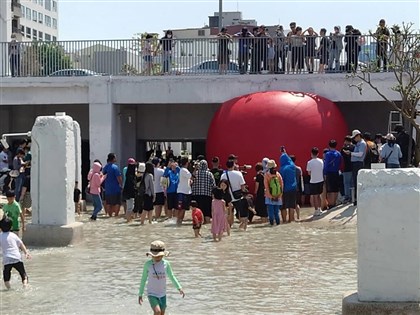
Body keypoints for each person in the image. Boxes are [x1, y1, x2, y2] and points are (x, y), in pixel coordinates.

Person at [138, 240, 185, 314]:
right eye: (155, 256)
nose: (157, 258)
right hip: (152, 293)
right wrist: (140, 294)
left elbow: (171, 276)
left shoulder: (166, 264)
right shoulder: (147, 265)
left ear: (163, 255)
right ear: (151, 254)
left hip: (162, 293)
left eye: (160, 256)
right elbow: (143, 280)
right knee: (157, 311)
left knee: (162, 313)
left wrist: (179, 288)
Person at [0, 217, 31, 289]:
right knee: (23, 274)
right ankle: (25, 285)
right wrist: (26, 253)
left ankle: (9, 289)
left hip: (7, 259)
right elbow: (21, 244)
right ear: (11, 227)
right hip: (17, 257)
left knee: (6, 278)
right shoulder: (14, 235)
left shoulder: (0, 236)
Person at [343, 129, 367, 206]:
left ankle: (358, 198)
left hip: (358, 163)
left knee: (358, 181)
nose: (354, 139)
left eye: (355, 137)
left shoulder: (362, 143)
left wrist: (351, 153)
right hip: (355, 163)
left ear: (358, 136)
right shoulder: (358, 143)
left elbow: (360, 154)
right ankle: (356, 198)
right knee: (355, 181)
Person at [220, 160, 246, 226]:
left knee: (229, 213)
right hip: (238, 196)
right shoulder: (239, 173)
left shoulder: (223, 175)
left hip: (227, 197)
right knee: (240, 212)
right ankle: (241, 226)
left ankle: (229, 227)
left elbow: (222, 187)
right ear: (233, 165)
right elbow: (242, 186)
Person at [191, 160, 215, 224]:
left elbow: (190, 183)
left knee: (197, 213)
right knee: (207, 213)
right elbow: (213, 185)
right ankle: (206, 227)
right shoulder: (210, 174)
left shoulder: (195, 173)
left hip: (196, 196)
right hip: (207, 196)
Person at [279, 148, 297, 223]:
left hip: (285, 189)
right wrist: (285, 153)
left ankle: (284, 221)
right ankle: (291, 220)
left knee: (283, 207)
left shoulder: (282, 169)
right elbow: (290, 160)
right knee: (291, 206)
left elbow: (281, 180)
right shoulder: (293, 166)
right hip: (293, 188)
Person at [323, 140, 342, 209]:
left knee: (330, 190)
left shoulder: (328, 154)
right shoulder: (339, 153)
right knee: (335, 188)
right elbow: (340, 163)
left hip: (329, 173)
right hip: (336, 172)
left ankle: (331, 204)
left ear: (329, 145)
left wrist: (324, 173)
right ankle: (334, 202)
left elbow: (326, 165)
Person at [264, 160, 283, 225]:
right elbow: (281, 185)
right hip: (278, 195)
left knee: (270, 212)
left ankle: (271, 224)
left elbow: (266, 187)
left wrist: (271, 197)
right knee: (277, 212)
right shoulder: (278, 174)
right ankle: (278, 224)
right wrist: (279, 196)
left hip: (270, 197)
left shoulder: (266, 175)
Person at [307, 147, 324, 217]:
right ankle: (320, 209)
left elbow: (309, 173)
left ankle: (316, 210)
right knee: (319, 195)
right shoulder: (321, 161)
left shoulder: (309, 162)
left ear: (311, 153)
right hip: (320, 180)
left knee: (314, 196)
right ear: (318, 153)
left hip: (313, 181)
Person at [176, 157, 192, 225]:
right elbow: (190, 176)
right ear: (187, 163)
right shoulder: (184, 170)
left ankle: (179, 222)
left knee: (183, 208)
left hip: (185, 191)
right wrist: (195, 169)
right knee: (182, 208)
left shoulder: (182, 170)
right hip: (183, 192)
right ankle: (178, 222)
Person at [341, 136, 355, 204]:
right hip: (353, 167)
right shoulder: (354, 147)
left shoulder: (344, 148)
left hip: (347, 168)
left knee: (346, 183)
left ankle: (347, 197)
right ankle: (353, 196)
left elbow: (342, 152)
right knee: (352, 183)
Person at [123, 158, 137, 222]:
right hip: (130, 193)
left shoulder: (127, 173)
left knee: (129, 207)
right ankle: (128, 220)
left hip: (126, 191)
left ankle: (129, 220)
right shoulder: (131, 176)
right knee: (130, 208)